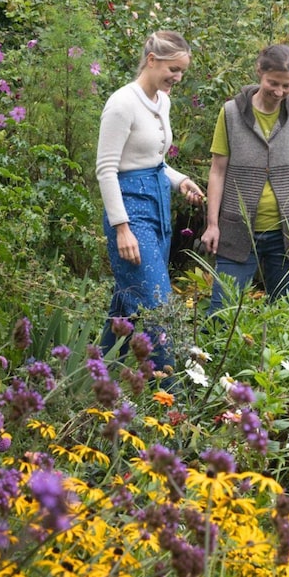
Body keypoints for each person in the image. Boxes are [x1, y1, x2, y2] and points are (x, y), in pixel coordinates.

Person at [96, 29, 204, 373]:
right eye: (173, 69)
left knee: (127, 303)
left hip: (158, 206)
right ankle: (171, 396)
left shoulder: (163, 101)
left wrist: (180, 180)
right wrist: (122, 228)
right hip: (130, 212)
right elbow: (107, 170)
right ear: (152, 60)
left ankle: (95, 378)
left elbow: (153, 162)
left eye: (182, 71)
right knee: (160, 305)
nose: (178, 77)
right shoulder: (121, 104)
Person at [201, 43, 289, 313]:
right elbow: (218, 171)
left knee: (284, 313)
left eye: (287, 86)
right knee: (222, 312)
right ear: (259, 72)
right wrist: (212, 224)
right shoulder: (231, 113)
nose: (279, 92)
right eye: (273, 83)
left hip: (286, 233)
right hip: (237, 229)